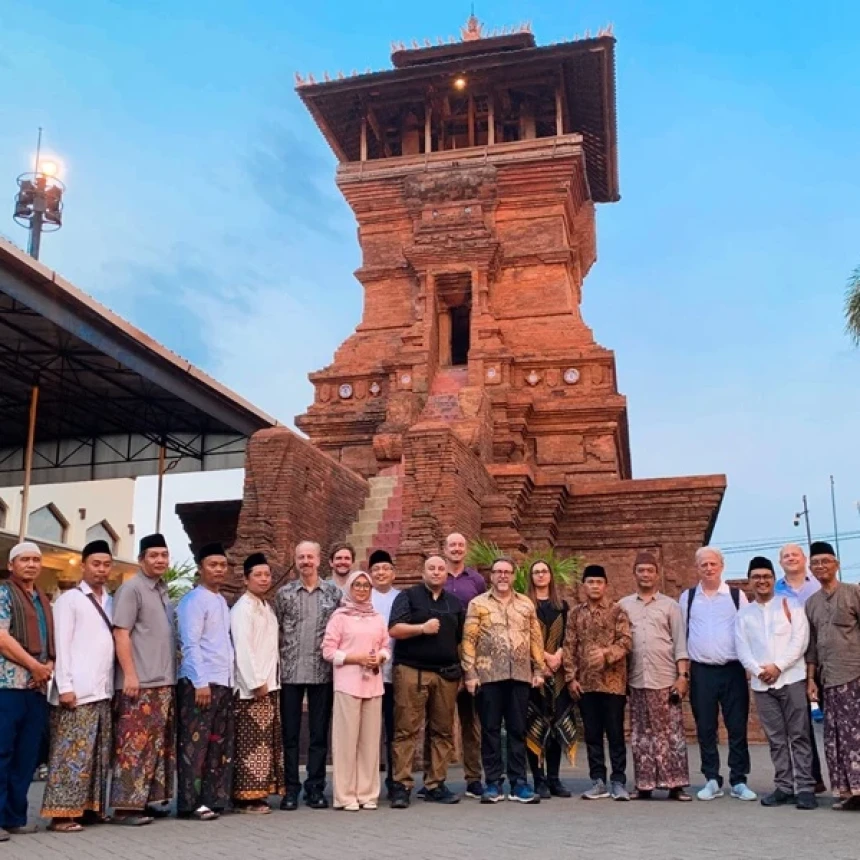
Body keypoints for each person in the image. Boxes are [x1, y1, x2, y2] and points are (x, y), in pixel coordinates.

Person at [41, 540, 115, 832]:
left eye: (106, 564)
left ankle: (88, 809)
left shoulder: (110, 599)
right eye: (96, 564)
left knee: (96, 755)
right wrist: (65, 685)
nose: (101, 570)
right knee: (70, 754)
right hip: (77, 690)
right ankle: (61, 815)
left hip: (102, 689)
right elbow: (62, 644)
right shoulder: (70, 600)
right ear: (83, 565)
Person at [463, 556, 545, 805]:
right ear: (491, 575)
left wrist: (539, 669)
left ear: (513, 575)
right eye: (497, 571)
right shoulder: (478, 604)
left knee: (517, 730)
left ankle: (519, 783)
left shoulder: (525, 604)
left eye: (507, 572)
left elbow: (535, 638)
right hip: (488, 676)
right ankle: (493, 783)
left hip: (520, 675)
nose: (502, 576)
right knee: (490, 731)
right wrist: (470, 673)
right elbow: (469, 639)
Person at [735, 556, 815, 810]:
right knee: (776, 738)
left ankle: (805, 788)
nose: (762, 581)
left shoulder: (790, 605)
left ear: (774, 579)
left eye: (766, 576)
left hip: (791, 678)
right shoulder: (744, 614)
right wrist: (759, 671)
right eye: (756, 577)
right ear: (750, 582)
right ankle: (784, 786)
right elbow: (742, 648)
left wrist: (778, 666)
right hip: (762, 686)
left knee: (799, 735)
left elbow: (800, 641)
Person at [110, 533, 177, 826]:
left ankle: (145, 801)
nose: (160, 560)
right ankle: (126, 807)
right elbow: (121, 633)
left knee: (155, 747)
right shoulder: (132, 589)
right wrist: (130, 675)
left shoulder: (162, 590)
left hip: (162, 682)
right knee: (133, 745)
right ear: (141, 560)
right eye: (153, 555)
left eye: (164, 555)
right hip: (140, 681)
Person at [388, 554, 464, 809]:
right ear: (423, 573)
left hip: (446, 674)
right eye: (431, 568)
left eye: (441, 569)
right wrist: (421, 628)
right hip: (412, 671)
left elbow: (460, 640)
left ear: (446, 574)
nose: (436, 572)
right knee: (406, 729)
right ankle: (401, 785)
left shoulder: (454, 603)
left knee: (442, 731)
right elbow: (394, 629)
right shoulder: (408, 597)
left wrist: (463, 671)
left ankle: (435, 784)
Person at [680, 546, 755, 801]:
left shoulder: (736, 596)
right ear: (697, 568)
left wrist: (749, 667)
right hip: (702, 671)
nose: (709, 568)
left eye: (713, 564)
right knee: (705, 727)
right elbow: (681, 637)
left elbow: (748, 632)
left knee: (737, 726)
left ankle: (739, 780)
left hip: (733, 670)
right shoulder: (688, 598)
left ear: (721, 566)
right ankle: (711, 778)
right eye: (704, 565)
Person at [273, 540, 341, 810]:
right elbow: (276, 629)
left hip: (321, 672)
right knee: (289, 735)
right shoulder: (285, 594)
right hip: (290, 672)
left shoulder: (333, 594)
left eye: (310, 556)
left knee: (318, 735)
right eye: (301, 557)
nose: (305, 561)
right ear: (295, 559)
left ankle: (315, 788)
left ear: (319, 559)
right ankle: (291, 789)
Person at [619, 551, 691, 801]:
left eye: (650, 570)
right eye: (641, 570)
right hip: (637, 680)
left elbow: (680, 643)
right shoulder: (624, 606)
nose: (646, 575)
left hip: (665, 679)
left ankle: (676, 784)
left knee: (671, 734)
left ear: (657, 574)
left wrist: (682, 676)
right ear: (634, 574)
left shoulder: (670, 606)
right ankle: (644, 785)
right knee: (641, 734)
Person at [176, 542, 236, 821]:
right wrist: (200, 681)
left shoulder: (221, 601)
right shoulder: (193, 601)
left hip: (222, 682)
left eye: (222, 565)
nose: (219, 570)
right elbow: (190, 643)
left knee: (216, 744)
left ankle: (212, 798)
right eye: (213, 565)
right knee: (195, 745)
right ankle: (191, 802)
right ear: (201, 569)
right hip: (200, 683)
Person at [322, 570, 390, 810]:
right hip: (348, 684)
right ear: (349, 588)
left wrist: (379, 658)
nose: (362, 589)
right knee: (346, 742)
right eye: (357, 585)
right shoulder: (339, 617)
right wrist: (355, 658)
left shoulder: (377, 617)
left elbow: (385, 646)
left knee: (370, 742)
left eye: (366, 586)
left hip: (373, 684)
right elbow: (328, 651)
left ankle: (368, 793)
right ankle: (345, 794)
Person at [563, 564, 632, 801]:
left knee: (615, 734)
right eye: (590, 582)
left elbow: (625, 641)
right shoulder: (575, 614)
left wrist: (606, 653)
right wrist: (570, 678)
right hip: (586, 685)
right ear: (584, 586)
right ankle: (598, 780)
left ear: (605, 586)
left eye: (598, 582)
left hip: (613, 684)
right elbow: (568, 646)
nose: (594, 586)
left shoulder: (617, 611)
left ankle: (619, 781)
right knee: (592, 735)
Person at [0, 542, 54, 842]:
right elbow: (1, 637)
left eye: (36, 560)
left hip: (35, 689)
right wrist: (35, 665)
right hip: (7, 686)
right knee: (2, 752)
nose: (31, 565)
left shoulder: (42, 599)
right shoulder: (3, 592)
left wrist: (46, 667)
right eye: (25, 560)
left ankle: (14, 816)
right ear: (12, 565)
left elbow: (51, 642)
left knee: (26, 756)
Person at [805, 540, 860, 810]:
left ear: (836, 564)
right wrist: (811, 679)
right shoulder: (811, 603)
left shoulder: (853, 593)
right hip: (828, 680)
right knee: (835, 737)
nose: (820, 566)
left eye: (825, 561)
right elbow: (812, 646)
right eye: (815, 563)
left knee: (857, 735)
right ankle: (847, 792)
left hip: (855, 674)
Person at [231, 552, 284, 813]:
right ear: (245, 579)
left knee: (264, 746)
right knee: (250, 747)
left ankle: (259, 793)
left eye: (267, 574)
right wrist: (255, 681)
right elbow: (243, 648)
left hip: (269, 685)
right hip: (252, 690)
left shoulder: (265, 607)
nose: (264, 579)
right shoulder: (242, 609)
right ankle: (246, 797)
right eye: (258, 575)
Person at [776, 543, 826, 794]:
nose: (791, 558)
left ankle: (847, 778)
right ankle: (813, 778)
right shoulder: (775, 591)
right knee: (802, 725)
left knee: (841, 723)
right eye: (786, 556)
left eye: (795, 555)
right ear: (780, 562)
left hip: (827, 661)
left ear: (804, 559)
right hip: (794, 665)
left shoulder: (818, 586)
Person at [524, 559, 575, 799]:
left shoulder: (562, 606)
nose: (541, 575)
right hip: (534, 674)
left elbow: (570, 635)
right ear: (531, 577)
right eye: (536, 572)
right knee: (536, 724)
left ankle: (554, 779)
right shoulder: (524, 605)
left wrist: (558, 657)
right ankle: (539, 779)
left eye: (544, 571)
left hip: (559, 675)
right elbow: (523, 636)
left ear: (551, 576)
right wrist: (543, 659)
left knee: (556, 727)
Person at [442, 532, 486, 799]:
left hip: (472, 656)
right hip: (443, 655)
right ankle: (436, 779)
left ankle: (473, 778)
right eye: (452, 545)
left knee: (472, 722)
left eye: (460, 545)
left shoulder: (476, 580)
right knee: (440, 721)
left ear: (465, 549)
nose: (456, 549)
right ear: (444, 549)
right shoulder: (436, 575)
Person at [369, 549, 398, 798]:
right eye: (376, 569)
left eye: (385, 568)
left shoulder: (402, 598)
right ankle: (369, 783)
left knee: (394, 729)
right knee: (369, 731)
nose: (381, 573)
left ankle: (394, 780)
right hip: (367, 674)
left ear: (393, 573)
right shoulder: (362, 598)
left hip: (395, 674)